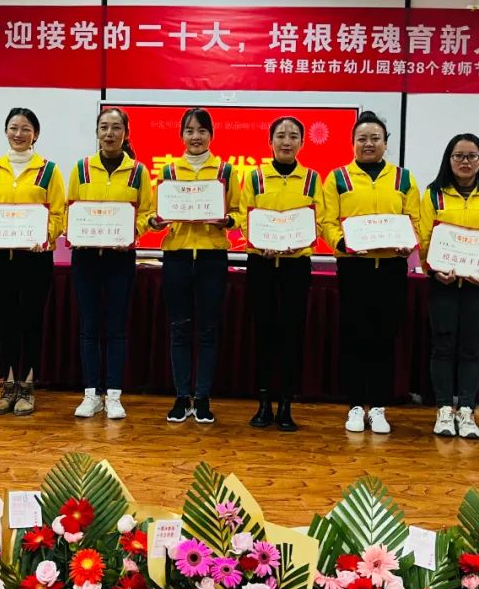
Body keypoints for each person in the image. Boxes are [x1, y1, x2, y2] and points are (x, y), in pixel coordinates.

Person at [322, 111, 419, 435]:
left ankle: (378, 407)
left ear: (385, 143)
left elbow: (416, 220)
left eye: (375, 138)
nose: (368, 143)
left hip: (391, 269)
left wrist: (410, 243)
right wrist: (342, 243)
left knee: (384, 338)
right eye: (362, 138)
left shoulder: (403, 179)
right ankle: (354, 405)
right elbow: (327, 221)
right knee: (353, 337)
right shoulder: (338, 178)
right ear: (352, 143)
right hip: (354, 268)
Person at [148, 108, 241, 425]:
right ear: (181, 136)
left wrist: (229, 220)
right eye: (189, 131)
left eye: (202, 130)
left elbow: (239, 211)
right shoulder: (169, 171)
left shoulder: (226, 171)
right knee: (179, 328)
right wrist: (156, 220)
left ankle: (202, 398)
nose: (196, 137)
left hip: (212, 256)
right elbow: (156, 214)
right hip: (177, 256)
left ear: (211, 135)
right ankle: (180, 397)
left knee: (208, 330)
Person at [0, 108, 66, 418]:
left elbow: (59, 213)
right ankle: (9, 385)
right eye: (13, 127)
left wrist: (45, 235)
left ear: (35, 134)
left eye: (26, 128)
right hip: (0, 259)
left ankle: (27, 386)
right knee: (6, 321)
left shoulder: (49, 171)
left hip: (35, 259)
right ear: (5, 131)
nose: (19, 134)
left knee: (31, 322)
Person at [418, 133, 479, 440]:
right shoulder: (434, 194)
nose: (465, 161)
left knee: (471, 348)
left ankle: (467, 410)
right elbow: (425, 238)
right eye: (459, 156)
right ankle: (445, 408)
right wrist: (434, 270)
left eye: (472, 156)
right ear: (449, 159)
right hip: (443, 284)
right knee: (443, 347)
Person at [238, 116, 325, 432]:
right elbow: (245, 218)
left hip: (295, 266)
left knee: (292, 334)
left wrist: (301, 241)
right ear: (270, 141)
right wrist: (258, 242)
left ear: (302, 142)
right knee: (263, 332)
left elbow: (320, 220)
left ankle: (286, 404)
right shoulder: (255, 177)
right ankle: (263, 403)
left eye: (293, 136)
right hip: (261, 264)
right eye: (280, 136)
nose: (286, 142)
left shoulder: (312, 179)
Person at [66, 107, 152, 420]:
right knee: (89, 327)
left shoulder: (138, 171)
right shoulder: (81, 169)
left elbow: (147, 213)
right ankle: (91, 394)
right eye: (104, 127)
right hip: (86, 257)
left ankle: (113, 395)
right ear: (97, 132)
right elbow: (70, 209)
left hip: (120, 257)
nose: (109, 133)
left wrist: (131, 232)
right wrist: (74, 231)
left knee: (116, 328)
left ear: (125, 133)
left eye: (116, 127)